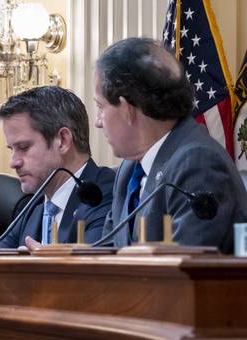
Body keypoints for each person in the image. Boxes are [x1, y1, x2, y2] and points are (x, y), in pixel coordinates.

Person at [95, 37, 247, 252]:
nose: (97, 122)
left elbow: (182, 272)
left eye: (100, 107)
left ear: (126, 109)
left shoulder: (198, 163)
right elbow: (107, 253)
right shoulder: (129, 171)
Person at [0, 86, 114, 250]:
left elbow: (90, 270)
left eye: (23, 147)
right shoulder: (31, 206)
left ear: (63, 141)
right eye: (11, 149)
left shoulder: (104, 194)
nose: (13, 162)